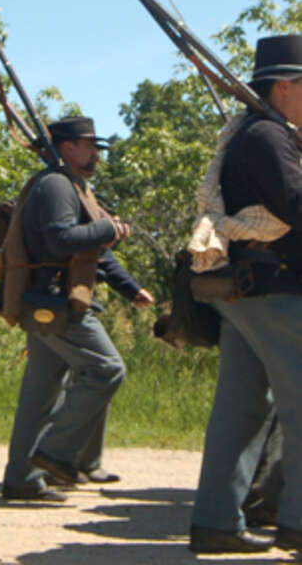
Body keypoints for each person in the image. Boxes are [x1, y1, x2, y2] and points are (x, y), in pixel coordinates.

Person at [2, 116, 154, 501]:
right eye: (89, 145)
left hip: (48, 301)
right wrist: (109, 229)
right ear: (67, 148)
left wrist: (129, 288)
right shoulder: (56, 185)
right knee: (106, 369)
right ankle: (55, 453)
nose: (95, 153)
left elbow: (93, 253)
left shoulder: (72, 185)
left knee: (40, 395)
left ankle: (22, 479)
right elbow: (59, 241)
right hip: (54, 300)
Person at [190, 35, 302, 554]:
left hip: (248, 291)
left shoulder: (252, 133)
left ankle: (216, 522)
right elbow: (296, 204)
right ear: (285, 85)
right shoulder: (269, 136)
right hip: (276, 289)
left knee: (239, 412)